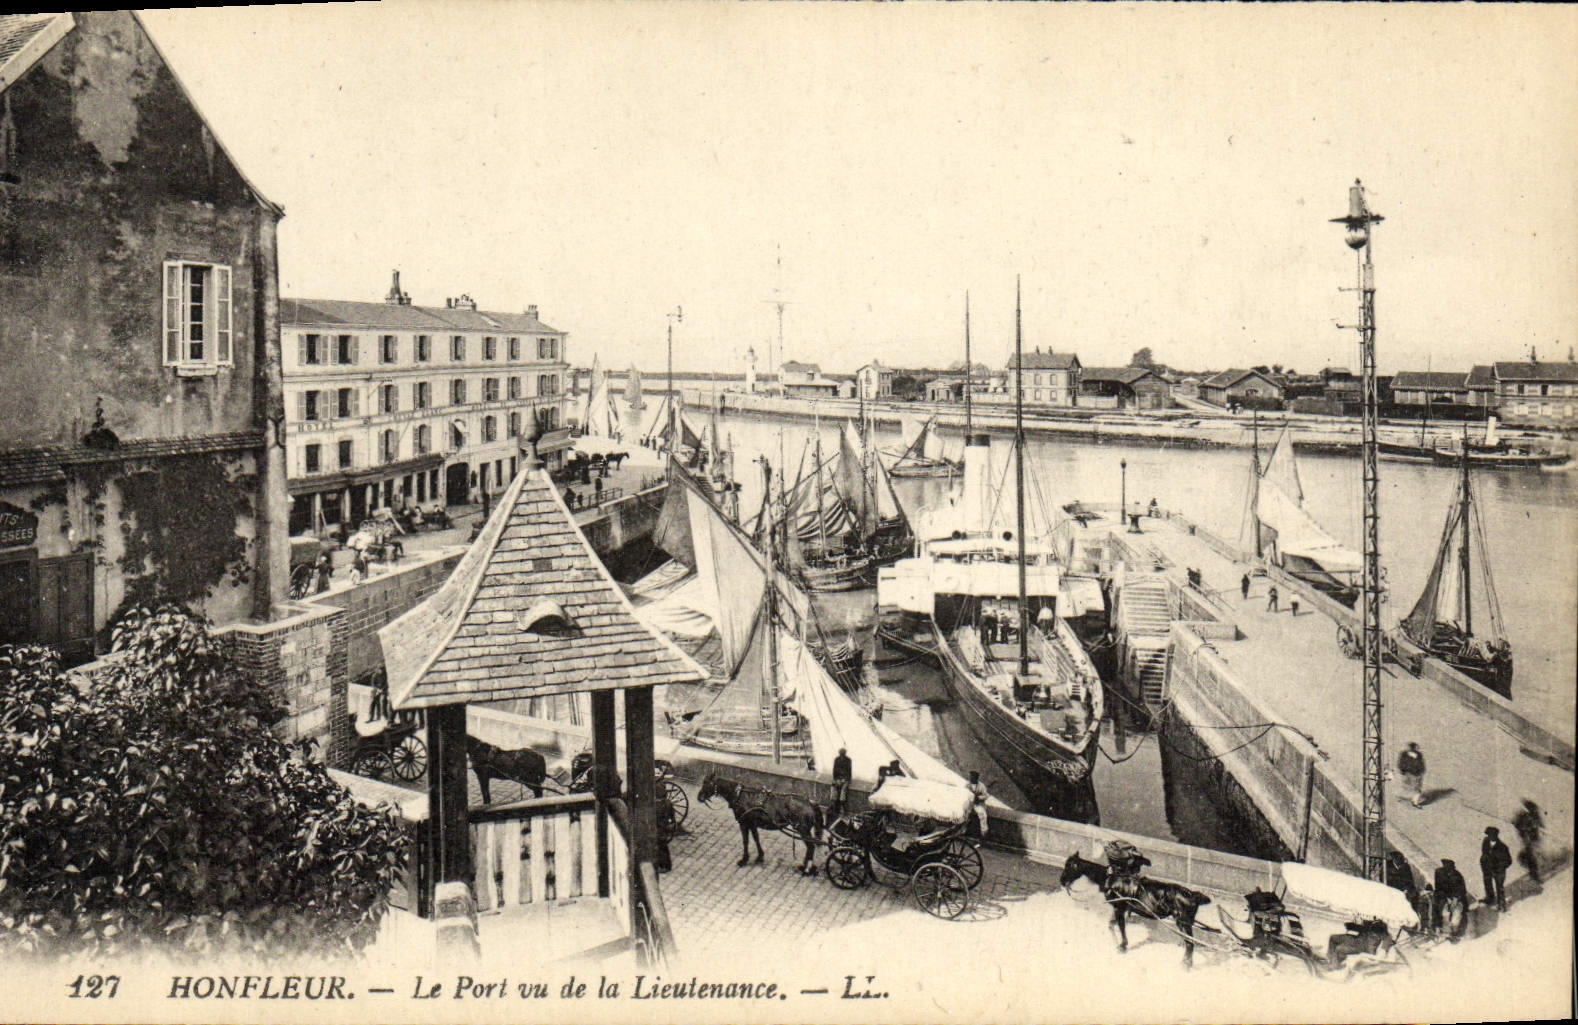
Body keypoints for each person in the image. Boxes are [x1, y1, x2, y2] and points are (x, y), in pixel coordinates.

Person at [1432, 859, 1471, 941]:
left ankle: (1455, 931)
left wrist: (1455, 899)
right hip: (1444, 896)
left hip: (1456, 898)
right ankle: (1438, 928)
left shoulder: (1457, 876)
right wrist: (1446, 898)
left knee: (1456, 913)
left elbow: (1462, 890)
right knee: (1439, 908)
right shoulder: (1439, 872)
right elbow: (1438, 887)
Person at [1480, 825, 1512, 912]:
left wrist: (1500, 867)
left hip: (1498, 871)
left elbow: (1508, 861)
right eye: (1489, 835)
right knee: (1487, 883)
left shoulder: (1503, 847)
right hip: (1487, 868)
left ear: (1496, 836)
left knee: (1499, 887)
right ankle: (1490, 898)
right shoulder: (1485, 841)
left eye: (1492, 835)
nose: (1490, 837)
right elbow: (1484, 852)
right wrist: (1484, 861)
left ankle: (1501, 905)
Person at [1513, 799, 1545, 885]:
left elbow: (1540, 825)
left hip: (1532, 838)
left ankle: (1536, 872)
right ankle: (1535, 875)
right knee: (1531, 855)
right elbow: (1520, 829)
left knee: (1534, 853)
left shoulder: (1532, 816)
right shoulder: (1523, 817)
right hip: (1529, 839)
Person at [1396, 741, 1426, 808]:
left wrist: (1421, 771)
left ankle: (1415, 801)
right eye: (1411, 747)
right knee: (1406, 786)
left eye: (1414, 747)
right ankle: (1400, 797)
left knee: (1417, 788)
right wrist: (1403, 771)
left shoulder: (1419, 754)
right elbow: (1400, 763)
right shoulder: (1404, 754)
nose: (1413, 748)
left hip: (1416, 773)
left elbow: (1421, 763)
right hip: (1407, 773)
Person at [967, 770, 989, 839]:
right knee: (964, 812)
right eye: (971, 776)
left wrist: (978, 798)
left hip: (978, 804)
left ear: (976, 777)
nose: (971, 778)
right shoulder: (967, 785)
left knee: (982, 814)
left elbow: (986, 796)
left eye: (973, 777)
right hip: (969, 803)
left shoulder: (981, 786)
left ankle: (983, 832)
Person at [831, 748, 852, 818]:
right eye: (841, 754)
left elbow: (849, 772)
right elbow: (834, 771)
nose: (842, 756)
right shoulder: (836, 759)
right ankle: (834, 808)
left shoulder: (848, 760)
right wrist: (836, 780)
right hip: (838, 779)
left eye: (843, 754)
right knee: (833, 789)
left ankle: (844, 810)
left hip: (845, 780)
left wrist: (844, 780)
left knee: (843, 792)